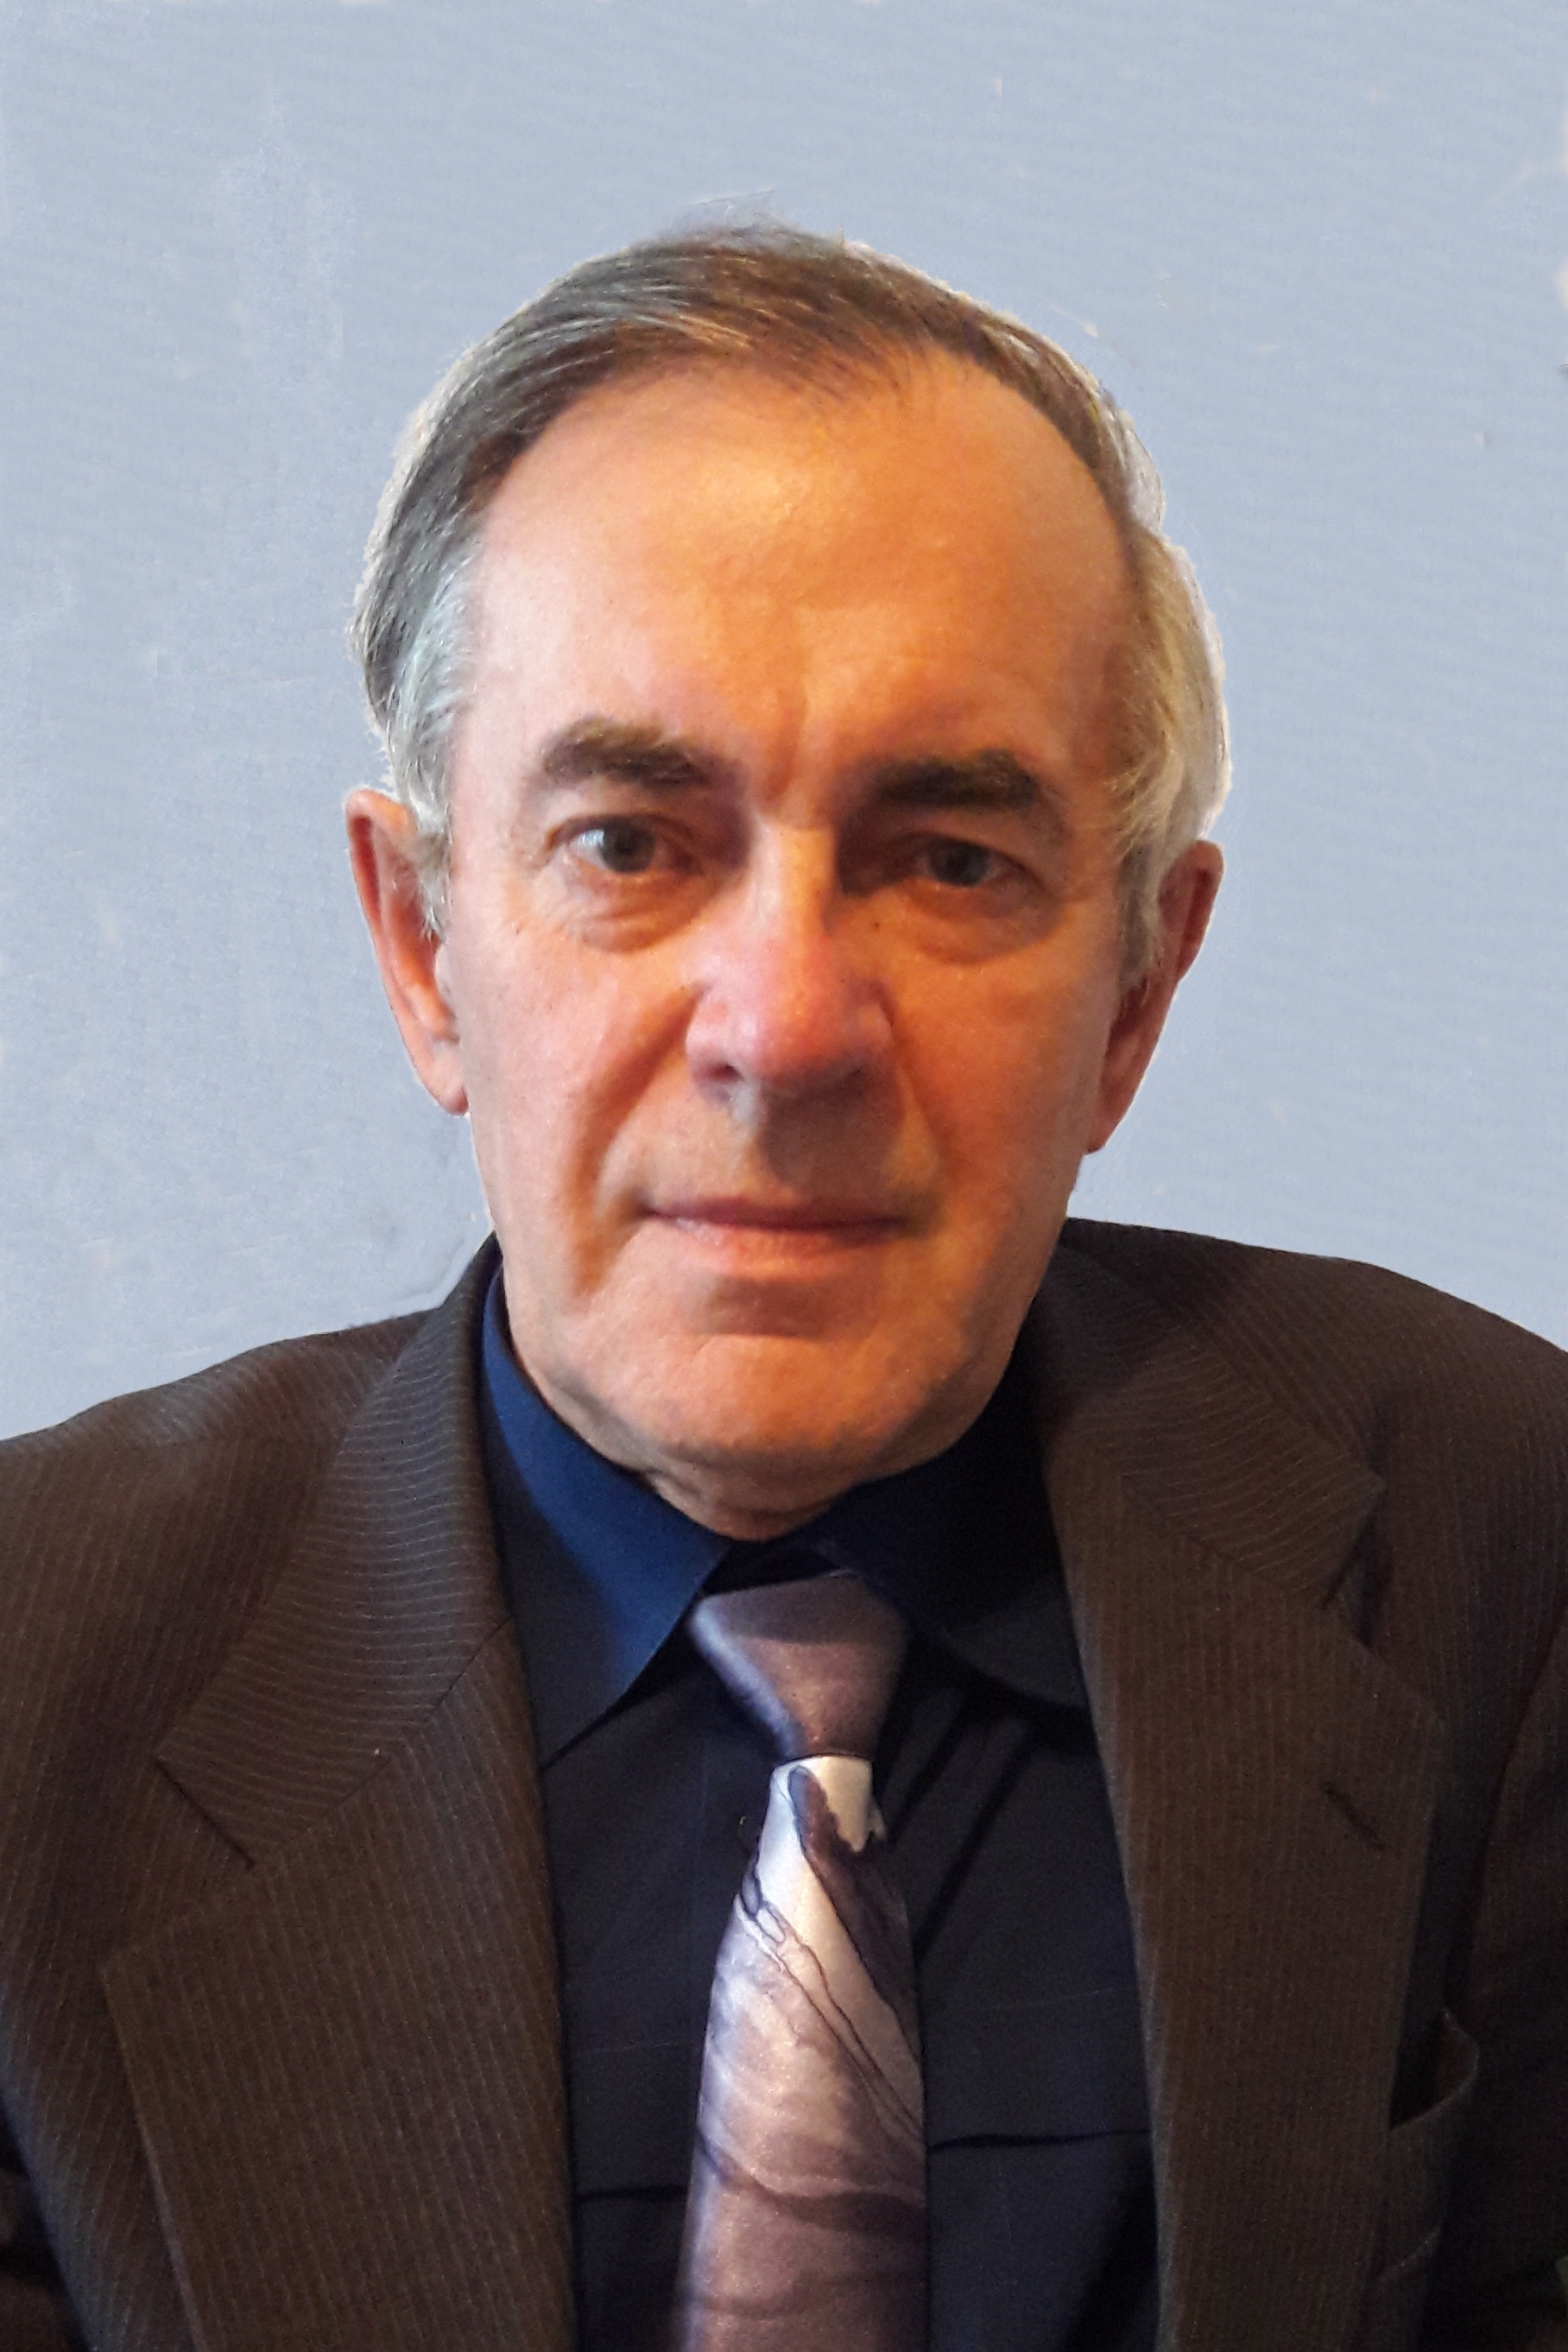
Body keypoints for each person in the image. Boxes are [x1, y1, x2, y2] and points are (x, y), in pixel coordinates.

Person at [1, 226, 1565, 2352]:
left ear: (1134, 991)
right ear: (421, 945)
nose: (787, 1027)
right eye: (630, 843)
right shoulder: (31, 1684)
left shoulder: (1501, 1559)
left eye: (948, 859)